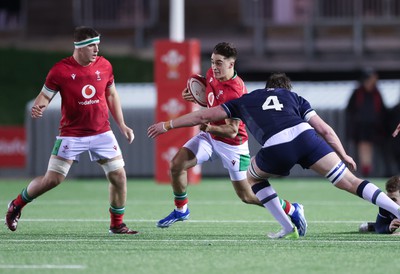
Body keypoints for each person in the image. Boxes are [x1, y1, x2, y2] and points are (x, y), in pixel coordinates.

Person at [148, 72, 400, 239]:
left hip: (279, 144)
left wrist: (168, 125)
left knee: (252, 178)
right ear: (286, 90)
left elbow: (202, 117)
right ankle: (397, 210)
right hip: (306, 137)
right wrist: (343, 153)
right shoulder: (295, 98)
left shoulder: (248, 99)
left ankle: (287, 226)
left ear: (267, 88)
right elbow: (323, 129)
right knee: (350, 182)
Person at [156, 42, 307, 237]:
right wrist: (195, 97)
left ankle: (292, 209)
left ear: (231, 64)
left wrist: (209, 127)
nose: (214, 67)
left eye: (219, 63)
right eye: (212, 62)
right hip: (210, 137)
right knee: (176, 164)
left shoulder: (235, 91)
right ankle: (181, 209)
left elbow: (232, 130)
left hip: (233, 145)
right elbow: (209, 96)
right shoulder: (212, 74)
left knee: (247, 196)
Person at [5, 26, 138, 234]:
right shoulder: (60, 71)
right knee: (53, 180)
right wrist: (39, 107)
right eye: (92, 46)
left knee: (119, 176)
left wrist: (122, 125)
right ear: (79, 47)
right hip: (71, 135)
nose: (96, 50)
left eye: (98, 45)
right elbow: (45, 96)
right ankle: (16, 204)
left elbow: (111, 95)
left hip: (102, 132)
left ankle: (117, 224)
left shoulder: (104, 66)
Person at [345, 68, 387, 177]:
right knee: (363, 147)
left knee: (369, 148)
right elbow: (350, 109)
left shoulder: (376, 93)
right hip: (360, 126)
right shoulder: (358, 92)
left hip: (374, 126)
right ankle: (365, 170)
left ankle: (368, 169)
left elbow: (382, 109)